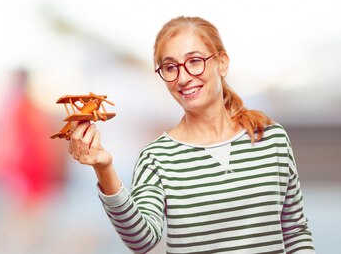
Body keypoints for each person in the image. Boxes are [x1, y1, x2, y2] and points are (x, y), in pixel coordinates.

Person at [68, 16, 315, 253]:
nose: (183, 78)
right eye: (170, 67)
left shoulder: (271, 139)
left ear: (222, 63)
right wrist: (104, 168)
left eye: (195, 61)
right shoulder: (157, 157)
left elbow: (295, 231)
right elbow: (141, 241)